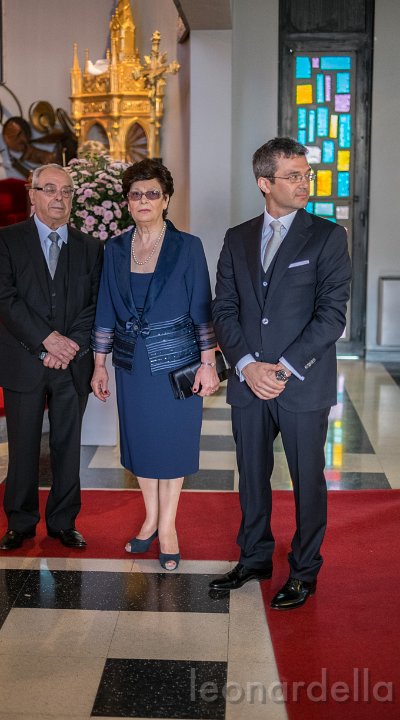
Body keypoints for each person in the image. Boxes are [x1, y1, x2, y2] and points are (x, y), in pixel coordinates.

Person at [210, 137, 351, 609]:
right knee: (251, 477)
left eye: (305, 175)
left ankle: (305, 570)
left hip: (301, 384)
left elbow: (331, 317)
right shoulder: (237, 238)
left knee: (308, 480)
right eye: (293, 176)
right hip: (249, 382)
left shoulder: (327, 236)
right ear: (264, 183)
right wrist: (247, 366)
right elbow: (223, 308)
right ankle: (254, 558)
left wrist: (284, 368)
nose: (304, 183)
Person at [91, 158, 219, 571]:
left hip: (177, 364)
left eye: (152, 193)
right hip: (132, 366)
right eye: (136, 194)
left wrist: (208, 364)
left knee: (172, 445)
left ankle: (168, 527)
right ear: (127, 201)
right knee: (142, 444)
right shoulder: (114, 249)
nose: (143, 200)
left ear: (165, 200)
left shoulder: (188, 247)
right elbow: (105, 309)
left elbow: (202, 309)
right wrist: (99, 365)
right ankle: (149, 519)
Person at [0, 163, 103, 551]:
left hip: (72, 363)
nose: (58, 198)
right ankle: (20, 523)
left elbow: (94, 304)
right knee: (23, 446)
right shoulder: (5, 240)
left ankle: (63, 522)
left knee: (68, 445)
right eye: (49, 189)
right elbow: (5, 300)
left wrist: (70, 346)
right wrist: (47, 341)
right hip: (23, 359)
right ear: (32, 195)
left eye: (66, 191)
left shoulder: (90, 247)